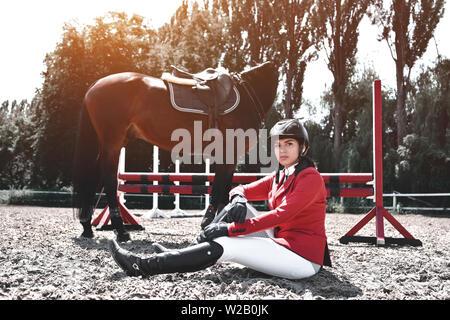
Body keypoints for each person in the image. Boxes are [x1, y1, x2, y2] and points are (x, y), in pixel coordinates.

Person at [108, 119, 331, 280]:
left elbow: (282, 215)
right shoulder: (280, 174)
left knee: (226, 243)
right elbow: (240, 189)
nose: (282, 150)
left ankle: (142, 265)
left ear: (303, 147)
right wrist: (240, 200)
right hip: (282, 241)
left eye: (289, 144)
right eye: (278, 145)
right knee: (234, 207)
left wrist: (230, 229)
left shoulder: (310, 178)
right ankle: (180, 253)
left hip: (301, 258)